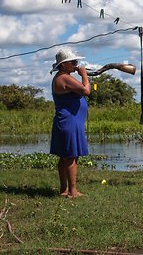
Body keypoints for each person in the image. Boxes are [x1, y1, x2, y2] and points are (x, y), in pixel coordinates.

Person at [50, 49, 90, 198]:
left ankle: (63, 189)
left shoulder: (62, 77)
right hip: (69, 122)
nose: (75, 64)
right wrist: (84, 75)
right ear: (64, 64)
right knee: (70, 156)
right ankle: (72, 191)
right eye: (73, 62)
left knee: (65, 156)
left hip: (69, 121)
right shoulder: (64, 78)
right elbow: (86, 91)